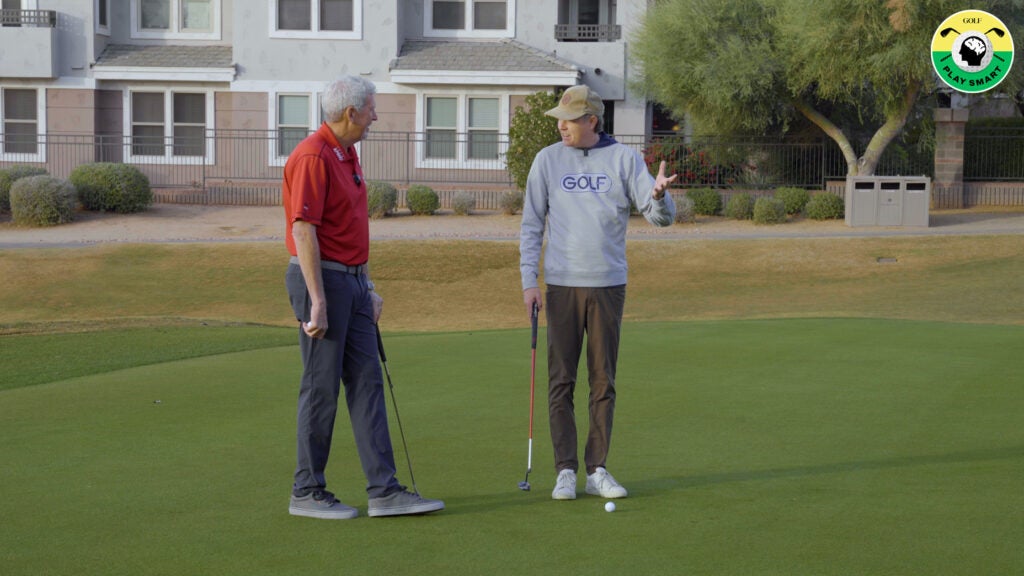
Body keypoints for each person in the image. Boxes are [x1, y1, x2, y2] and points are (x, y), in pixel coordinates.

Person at [283, 75, 444, 519]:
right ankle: (307, 490)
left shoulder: (346, 153)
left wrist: (367, 286)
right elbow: (303, 231)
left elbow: (352, 228)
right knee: (321, 389)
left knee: (368, 383)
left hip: (352, 284)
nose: (376, 116)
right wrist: (318, 300)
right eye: (372, 108)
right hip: (323, 285)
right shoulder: (313, 156)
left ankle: (384, 491)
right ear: (351, 112)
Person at [519, 85, 677, 501]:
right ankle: (565, 471)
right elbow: (531, 225)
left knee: (603, 381)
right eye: (559, 117)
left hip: (608, 284)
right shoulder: (547, 160)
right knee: (561, 382)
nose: (561, 125)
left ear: (592, 120)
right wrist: (528, 282)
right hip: (561, 286)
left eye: (569, 119)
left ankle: (597, 469)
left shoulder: (624, 159)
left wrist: (660, 196)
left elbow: (659, 217)